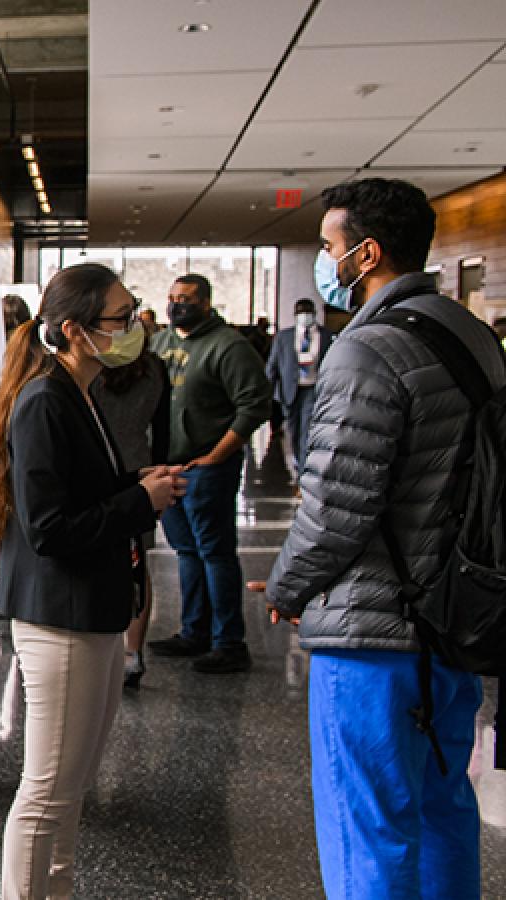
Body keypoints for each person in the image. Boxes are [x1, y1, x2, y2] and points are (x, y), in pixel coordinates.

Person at [264, 178, 505, 900]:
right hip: (452, 621)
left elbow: (337, 505)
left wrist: (286, 586)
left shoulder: (368, 350)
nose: (326, 261)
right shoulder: (474, 338)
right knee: (442, 815)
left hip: (371, 630)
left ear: (365, 253)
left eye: (331, 247)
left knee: (367, 828)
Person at [0, 263, 184, 899]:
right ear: (74, 330)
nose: (134, 329)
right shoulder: (46, 399)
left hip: (91, 611)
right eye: (120, 319)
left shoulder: (80, 392)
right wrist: (137, 504)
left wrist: (135, 486)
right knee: (46, 789)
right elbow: (49, 526)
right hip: (58, 616)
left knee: (70, 787)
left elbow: (80, 494)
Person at [145, 273, 270, 674]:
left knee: (215, 553)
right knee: (186, 553)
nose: (176, 304)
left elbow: (254, 406)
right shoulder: (162, 342)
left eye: (184, 298)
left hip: (207, 467)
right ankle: (193, 631)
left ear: (205, 302)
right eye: (171, 297)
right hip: (171, 467)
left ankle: (228, 641)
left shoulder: (228, 346)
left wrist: (217, 456)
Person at [90, 327, 171, 688]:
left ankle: (103, 647)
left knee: (96, 554)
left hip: (98, 469)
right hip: (142, 470)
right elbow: (164, 427)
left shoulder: (91, 367)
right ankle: (133, 651)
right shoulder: (154, 368)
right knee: (138, 562)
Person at [266, 298, 334, 473]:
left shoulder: (326, 336)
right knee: (293, 431)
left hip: (313, 389)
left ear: (314, 314)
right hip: (289, 391)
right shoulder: (284, 337)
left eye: (308, 312)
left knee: (307, 431)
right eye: (301, 312)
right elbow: (273, 365)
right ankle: (297, 461)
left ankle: (304, 472)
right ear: (295, 315)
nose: (305, 316)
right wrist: (267, 392)